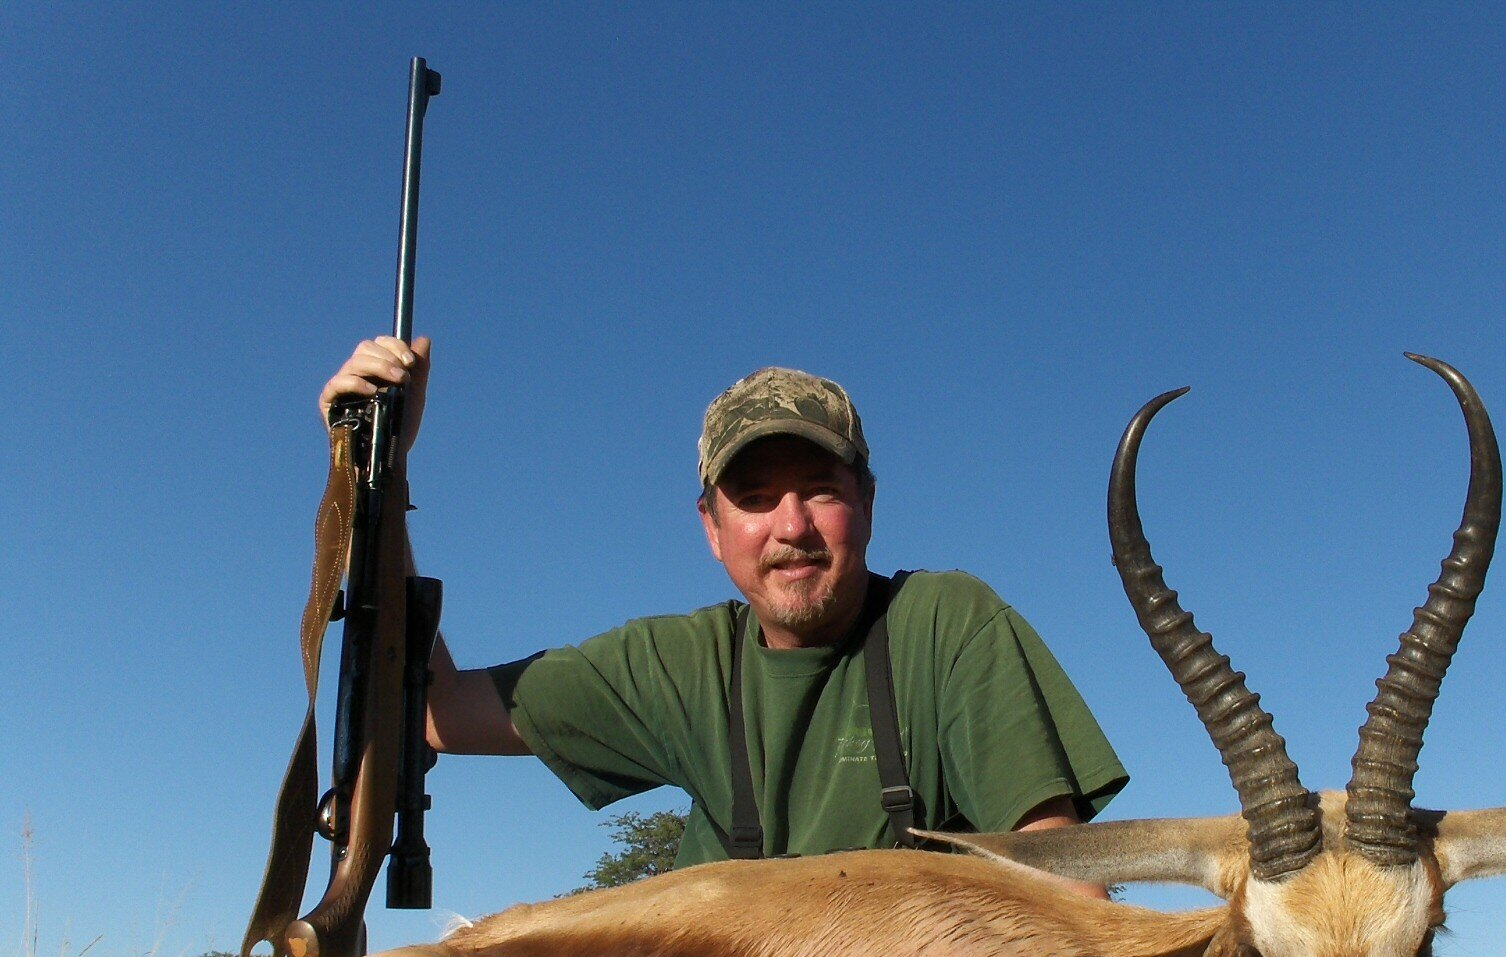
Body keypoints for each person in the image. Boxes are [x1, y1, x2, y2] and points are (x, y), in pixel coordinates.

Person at [322, 339, 1127, 896]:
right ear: (711, 528)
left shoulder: (948, 624)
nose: (790, 526)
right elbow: (439, 712)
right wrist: (376, 478)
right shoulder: (679, 666)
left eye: (819, 488)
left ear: (867, 504)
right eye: (753, 498)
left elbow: (1069, 887)